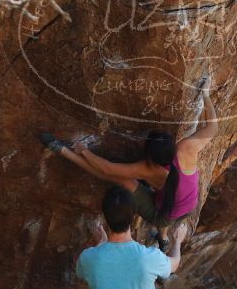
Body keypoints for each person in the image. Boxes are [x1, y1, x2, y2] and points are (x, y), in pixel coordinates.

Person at [42, 86, 217, 251]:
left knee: (120, 180)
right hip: (187, 206)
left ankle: (62, 150)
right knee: (167, 209)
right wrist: (206, 95)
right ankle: (163, 240)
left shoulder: (147, 169)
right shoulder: (186, 149)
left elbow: (107, 169)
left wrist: (84, 151)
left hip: (163, 214)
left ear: (149, 154)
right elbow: (213, 127)